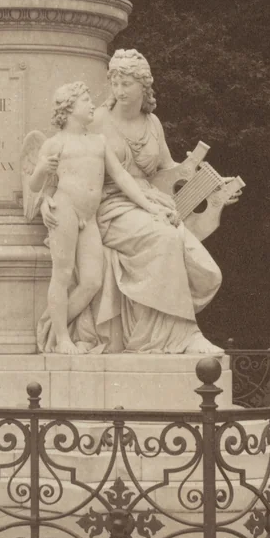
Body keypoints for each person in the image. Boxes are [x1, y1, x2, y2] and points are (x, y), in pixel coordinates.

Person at [45, 50, 224, 355]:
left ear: (144, 86)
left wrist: (213, 191)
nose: (119, 90)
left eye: (126, 83)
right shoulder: (98, 121)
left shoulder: (152, 123)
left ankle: (166, 334)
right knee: (165, 239)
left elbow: (168, 171)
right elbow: (67, 164)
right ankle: (180, 335)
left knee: (204, 267)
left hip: (148, 202)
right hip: (111, 206)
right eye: (114, 82)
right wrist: (46, 200)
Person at [30, 82, 178, 354]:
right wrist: (41, 169)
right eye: (86, 100)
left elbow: (122, 177)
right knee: (62, 274)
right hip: (65, 211)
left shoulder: (98, 142)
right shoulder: (55, 143)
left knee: (92, 281)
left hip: (89, 216)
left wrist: (149, 206)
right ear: (69, 108)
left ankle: (51, 326)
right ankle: (62, 338)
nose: (91, 105)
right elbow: (36, 185)